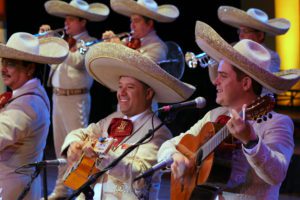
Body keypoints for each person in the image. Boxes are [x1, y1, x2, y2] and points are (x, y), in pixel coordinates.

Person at [157, 21, 300, 200]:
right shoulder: (215, 115)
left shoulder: (277, 122)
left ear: (246, 83)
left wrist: (251, 141)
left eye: (223, 76)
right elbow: (168, 145)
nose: (216, 81)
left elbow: (277, 174)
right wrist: (176, 158)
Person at [60, 42, 196, 199]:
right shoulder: (111, 119)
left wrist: (101, 156)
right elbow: (82, 132)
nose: (121, 93)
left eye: (130, 87)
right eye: (120, 86)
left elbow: (140, 172)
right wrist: (73, 145)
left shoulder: (159, 133)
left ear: (148, 94)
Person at [40, 0, 110, 198]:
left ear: (83, 22)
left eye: (71, 19)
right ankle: (62, 189)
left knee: (78, 147)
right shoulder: (65, 42)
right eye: (66, 19)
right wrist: (46, 41)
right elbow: (46, 58)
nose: (66, 24)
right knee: (59, 147)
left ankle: (82, 189)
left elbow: (78, 62)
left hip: (76, 99)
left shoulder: (90, 42)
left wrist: (56, 43)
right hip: (58, 97)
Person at [0, 32, 68, 200]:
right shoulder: (29, 93)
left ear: (29, 69)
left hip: (13, 189)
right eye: (2, 62)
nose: (3, 68)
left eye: (11, 64)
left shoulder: (27, 104)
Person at [217, 5, 290, 73]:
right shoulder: (237, 51)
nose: (241, 35)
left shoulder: (272, 57)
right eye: (240, 31)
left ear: (260, 35)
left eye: (245, 31)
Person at [103, 0, 179, 63]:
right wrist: (107, 46)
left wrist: (118, 48)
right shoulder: (127, 40)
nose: (132, 26)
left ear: (149, 23)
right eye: (131, 21)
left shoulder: (159, 48)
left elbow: (140, 71)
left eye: (136, 21)